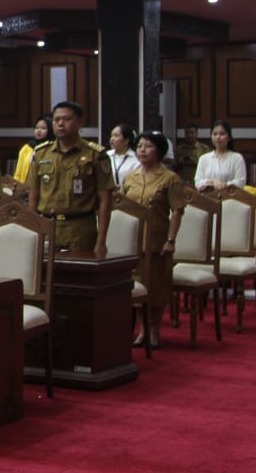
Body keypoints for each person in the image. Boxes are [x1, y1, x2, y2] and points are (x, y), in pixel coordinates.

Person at [121, 131, 184, 349]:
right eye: (139, 146)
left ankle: (155, 330)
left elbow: (177, 211)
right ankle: (142, 331)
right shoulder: (130, 177)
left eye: (148, 146)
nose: (142, 150)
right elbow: (120, 207)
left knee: (156, 288)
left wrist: (171, 240)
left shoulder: (170, 178)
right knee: (136, 289)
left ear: (159, 150)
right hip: (132, 242)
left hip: (158, 241)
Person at [25, 101, 113, 254]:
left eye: (66, 119)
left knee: (78, 275)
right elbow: (33, 197)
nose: (60, 124)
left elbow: (105, 199)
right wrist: (32, 232)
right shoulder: (41, 154)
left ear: (79, 123)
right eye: (56, 120)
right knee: (45, 276)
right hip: (47, 226)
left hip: (80, 228)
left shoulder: (95, 154)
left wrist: (101, 241)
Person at [194, 120, 246, 191]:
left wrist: (223, 184)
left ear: (229, 137)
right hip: (208, 198)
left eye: (222, 134)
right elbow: (198, 182)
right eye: (215, 134)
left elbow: (241, 182)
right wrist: (213, 181)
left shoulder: (237, 158)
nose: (218, 137)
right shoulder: (203, 159)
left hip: (230, 198)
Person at [13, 115, 53, 184]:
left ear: (51, 130)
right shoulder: (26, 148)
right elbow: (18, 173)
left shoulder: (53, 147)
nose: (39, 130)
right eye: (37, 128)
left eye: (43, 128)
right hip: (25, 188)